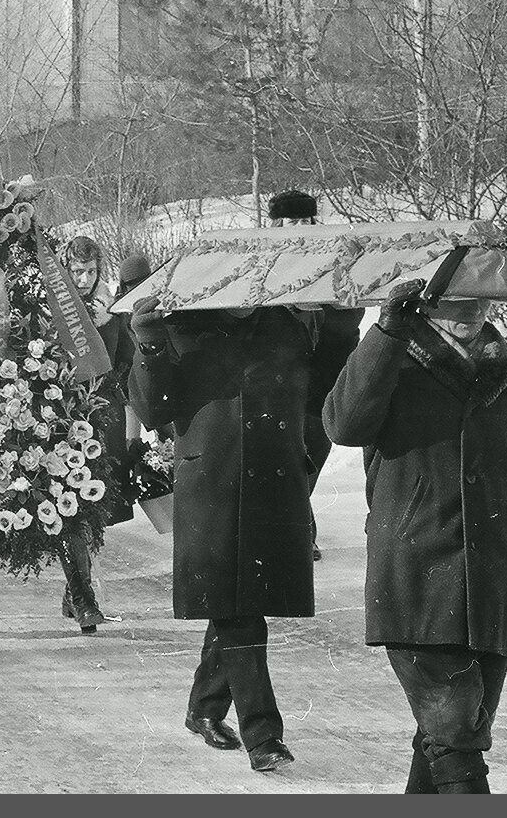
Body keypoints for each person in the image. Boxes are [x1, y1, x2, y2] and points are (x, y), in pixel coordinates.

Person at [323, 281, 507, 794]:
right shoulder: (393, 366)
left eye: (480, 300)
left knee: (448, 733)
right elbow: (342, 425)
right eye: (455, 301)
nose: (470, 312)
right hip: (416, 575)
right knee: (457, 734)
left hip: (495, 580)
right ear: (426, 306)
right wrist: (385, 333)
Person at [130, 294, 320, 773]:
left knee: (238, 602)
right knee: (240, 612)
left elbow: (324, 394)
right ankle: (264, 734)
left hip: (273, 481)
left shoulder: (288, 324)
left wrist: (342, 321)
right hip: (211, 483)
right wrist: (150, 342)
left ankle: (204, 708)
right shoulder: (179, 326)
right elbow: (152, 411)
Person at [268, 188, 363, 562]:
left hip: (322, 378)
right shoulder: (262, 263)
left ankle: (298, 522)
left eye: (306, 222)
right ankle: (298, 529)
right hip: (276, 380)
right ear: (276, 226)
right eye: (291, 222)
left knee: (313, 453)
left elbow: (345, 322)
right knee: (286, 459)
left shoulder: (332, 261)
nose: (300, 229)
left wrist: (342, 308)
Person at [53, 235, 129, 633]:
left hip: (104, 416)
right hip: (64, 418)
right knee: (71, 508)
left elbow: (128, 363)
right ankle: (84, 598)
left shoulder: (110, 310)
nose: (83, 280)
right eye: (76, 271)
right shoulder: (53, 309)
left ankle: (74, 591)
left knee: (95, 510)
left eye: (90, 271)